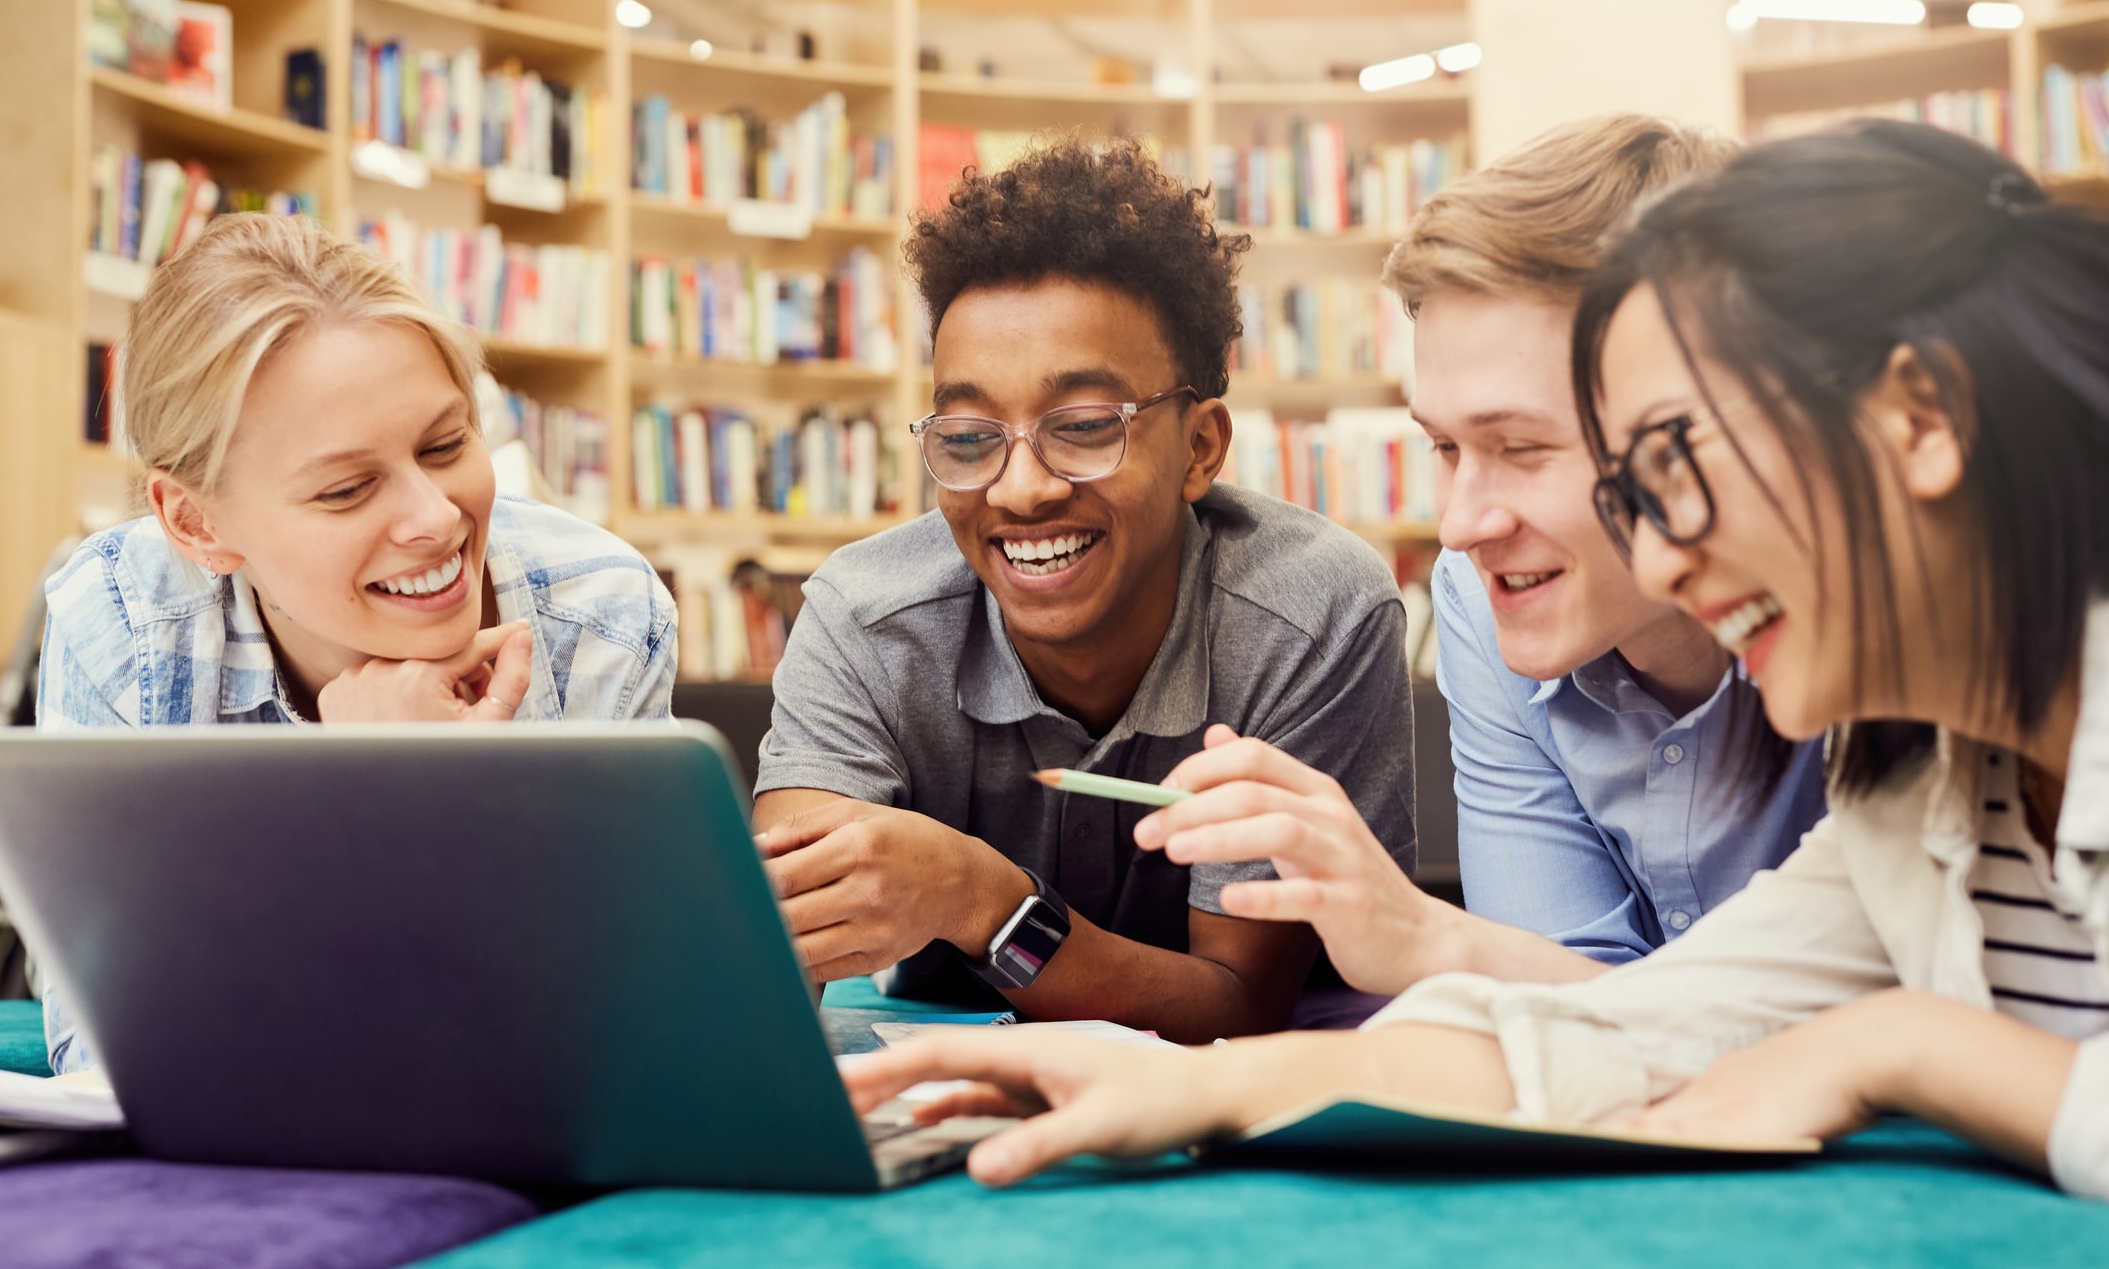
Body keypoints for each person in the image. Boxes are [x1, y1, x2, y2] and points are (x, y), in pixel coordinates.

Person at [840, 122, 2109, 1202]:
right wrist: (1186, 1084)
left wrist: (1907, 1047)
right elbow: (1628, 1031)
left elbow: (1812, 1039)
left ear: (1920, 420)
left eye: (1677, 463)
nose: (1664, 556)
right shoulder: (1915, 790)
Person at [1123, 116, 1825, 1004]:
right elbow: (1572, 1008)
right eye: (1445, 448)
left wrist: (1427, 939)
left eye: (1522, 448)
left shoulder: (1874, 632)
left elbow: (1894, 1027)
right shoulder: (1478, 595)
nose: (1457, 528)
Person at [751, 138, 1416, 1044]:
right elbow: (772, 971)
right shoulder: (865, 617)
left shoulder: (1311, 617)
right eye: (969, 434)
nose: (1021, 490)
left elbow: (1235, 1008)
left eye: (1084, 426)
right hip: (955, 1080)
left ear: (1199, 449)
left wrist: (978, 897)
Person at [36, 213, 678, 1072]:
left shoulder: (600, 614)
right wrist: (363, 805)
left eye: (446, 444)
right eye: (346, 489)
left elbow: (624, 1030)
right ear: (195, 523)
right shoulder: (120, 623)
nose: (436, 517)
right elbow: (110, 1053)